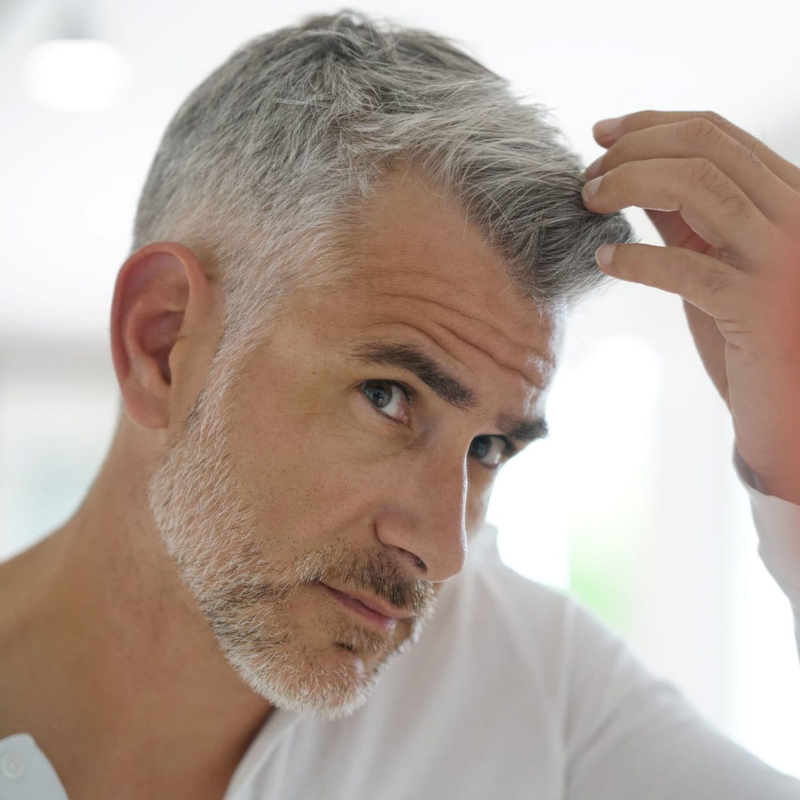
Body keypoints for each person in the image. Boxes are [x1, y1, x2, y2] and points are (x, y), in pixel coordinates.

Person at [1, 8, 799, 799]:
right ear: (163, 342)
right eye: (388, 398)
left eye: (490, 448)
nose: (443, 552)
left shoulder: (531, 681)